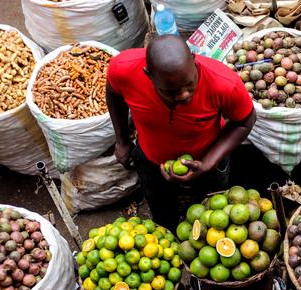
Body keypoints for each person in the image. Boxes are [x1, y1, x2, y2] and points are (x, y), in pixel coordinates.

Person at [106, 35, 256, 231]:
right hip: (151, 161)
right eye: (171, 91)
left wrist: (208, 163)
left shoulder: (223, 83)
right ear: (148, 75)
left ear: (194, 60)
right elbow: (113, 93)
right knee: (162, 213)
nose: (184, 94)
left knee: (213, 219)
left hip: (208, 160)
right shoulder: (124, 69)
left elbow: (245, 121)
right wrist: (122, 140)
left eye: (189, 83)